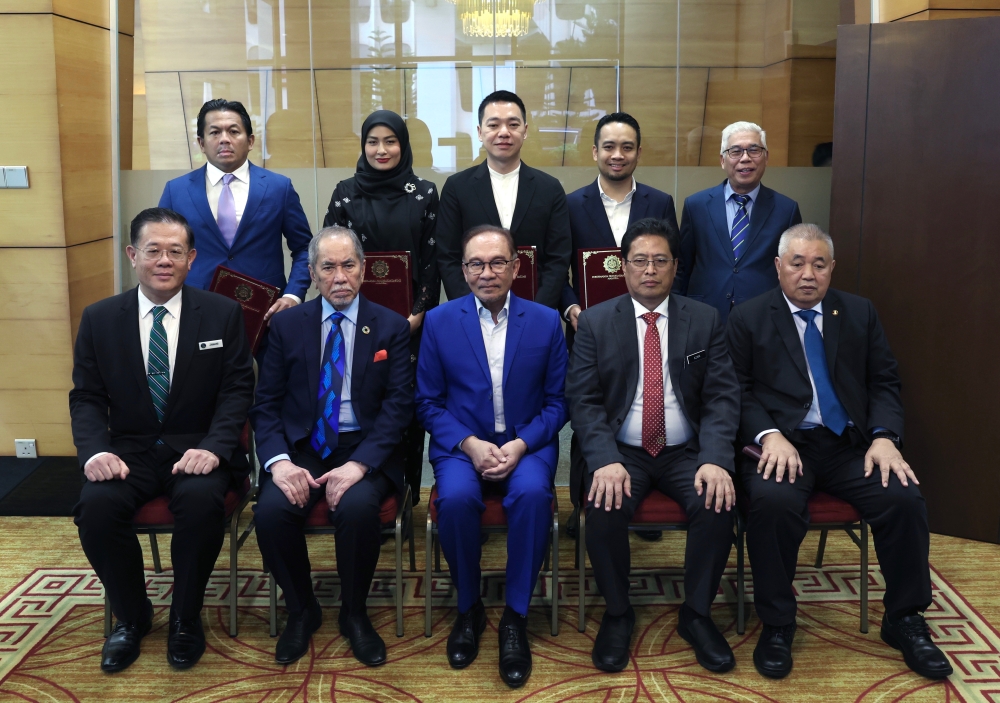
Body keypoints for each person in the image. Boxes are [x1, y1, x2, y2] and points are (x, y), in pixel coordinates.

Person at [726, 224, 952, 681]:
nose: (808, 274)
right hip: (784, 445)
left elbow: (883, 381)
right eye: (797, 263)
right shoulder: (747, 317)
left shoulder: (858, 312)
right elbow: (737, 391)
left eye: (819, 264)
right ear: (778, 267)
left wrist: (886, 436)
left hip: (851, 444)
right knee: (772, 503)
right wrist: (769, 434)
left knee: (903, 496)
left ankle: (904, 618)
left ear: (832, 269)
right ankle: (777, 622)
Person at [70, 208, 255, 673]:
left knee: (199, 503)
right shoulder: (99, 318)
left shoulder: (222, 313)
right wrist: (95, 451)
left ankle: (185, 618)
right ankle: (132, 617)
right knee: (95, 508)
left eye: (176, 251)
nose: (164, 260)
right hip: (128, 452)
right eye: (154, 250)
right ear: (133, 255)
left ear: (192, 258)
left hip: (199, 450)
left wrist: (214, 447)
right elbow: (87, 397)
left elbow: (237, 390)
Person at [566, 217, 740, 674]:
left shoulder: (704, 318)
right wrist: (603, 459)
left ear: (675, 266)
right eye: (639, 260)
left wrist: (716, 459)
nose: (649, 269)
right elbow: (582, 400)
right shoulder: (597, 321)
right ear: (623, 267)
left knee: (719, 504)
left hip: (687, 450)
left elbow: (723, 395)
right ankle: (618, 612)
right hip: (621, 450)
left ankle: (697, 614)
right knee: (602, 510)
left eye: (660, 260)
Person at [250, 226, 413, 667]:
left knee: (358, 510)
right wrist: (279, 463)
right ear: (312, 273)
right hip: (302, 447)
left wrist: (360, 465)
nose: (339, 276)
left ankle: (354, 612)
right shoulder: (285, 325)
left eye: (348, 265)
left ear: (363, 270)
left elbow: (399, 408)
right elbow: (264, 405)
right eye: (328, 267)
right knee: (270, 512)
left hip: (365, 448)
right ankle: (302, 608)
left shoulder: (391, 327)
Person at [416, 225, 568, 688]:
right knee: (456, 501)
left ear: (517, 266)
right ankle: (469, 608)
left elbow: (558, 402)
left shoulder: (545, 321)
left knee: (532, 497)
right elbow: (427, 401)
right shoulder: (440, 321)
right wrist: (469, 443)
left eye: (498, 262)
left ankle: (515, 616)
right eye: (476, 264)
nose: (488, 273)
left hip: (528, 444)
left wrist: (520, 445)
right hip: (463, 445)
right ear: (462, 270)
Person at [561, 111, 678, 543]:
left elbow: (669, 265)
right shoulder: (571, 204)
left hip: (649, 325)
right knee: (589, 414)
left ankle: (644, 497)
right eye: (609, 146)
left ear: (638, 153)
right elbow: (561, 270)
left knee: (647, 404)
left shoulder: (659, 202)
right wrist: (571, 310)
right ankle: (582, 504)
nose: (617, 154)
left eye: (627, 147)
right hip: (590, 329)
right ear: (594, 152)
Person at [323, 110, 438, 499]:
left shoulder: (423, 193)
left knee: (405, 403)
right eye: (373, 141)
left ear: (403, 146)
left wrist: (415, 316)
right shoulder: (345, 192)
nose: (381, 149)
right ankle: (361, 482)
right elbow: (332, 253)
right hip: (357, 322)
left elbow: (431, 260)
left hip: (411, 324)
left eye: (391, 141)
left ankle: (404, 491)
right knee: (363, 396)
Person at [158, 99, 313, 326]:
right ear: (201, 143)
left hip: (265, 312)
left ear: (250, 141)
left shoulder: (279, 188)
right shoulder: (176, 190)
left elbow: (304, 248)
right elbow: (162, 251)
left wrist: (293, 295)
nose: (224, 139)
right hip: (196, 310)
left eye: (233, 131)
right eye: (214, 132)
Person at [436, 90, 572, 310]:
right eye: (493, 125)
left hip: (535, 309)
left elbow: (557, 259)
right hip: (474, 312)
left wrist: (539, 311)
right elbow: (448, 257)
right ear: (480, 132)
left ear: (525, 131)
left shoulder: (550, 188)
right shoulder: (457, 187)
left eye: (513, 124)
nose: (504, 133)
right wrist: (470, 308)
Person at [673, 121, 802, 323]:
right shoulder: (695, 205)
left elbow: (794, 269)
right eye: (735, 151)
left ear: (766, 157)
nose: (745, 158)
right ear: (723, 160)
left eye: (754, 150)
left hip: (764, 317)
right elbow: (682, 266)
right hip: (704, 314)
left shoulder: (786, 209)